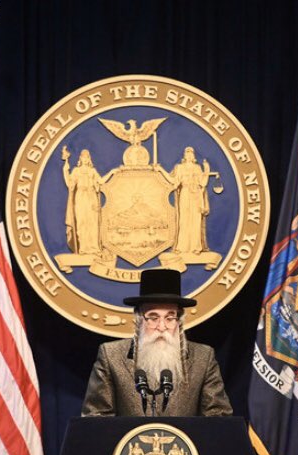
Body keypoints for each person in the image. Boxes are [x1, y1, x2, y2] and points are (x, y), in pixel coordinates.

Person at [81, 268, 232, 417]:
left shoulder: (203, 357)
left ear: (179, 321)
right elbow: (96, 417)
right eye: (153, 317)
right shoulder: (111, 355)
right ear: (139, 319)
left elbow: (218, 418)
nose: (161, 327)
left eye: (170, 317)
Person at [62, 146, 106, 255]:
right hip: (80, 197)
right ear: (80, 158)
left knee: (93, 222)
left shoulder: (93, 171)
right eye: (83, 157)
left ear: (89, 159)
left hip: (92, 198)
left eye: (87, 157)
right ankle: (83, 248)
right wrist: (65, 170)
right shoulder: (76, 171)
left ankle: (94, 248)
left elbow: (101, 181)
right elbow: (70, 184)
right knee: (82, 221)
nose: (85, 159)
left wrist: (112, 172)